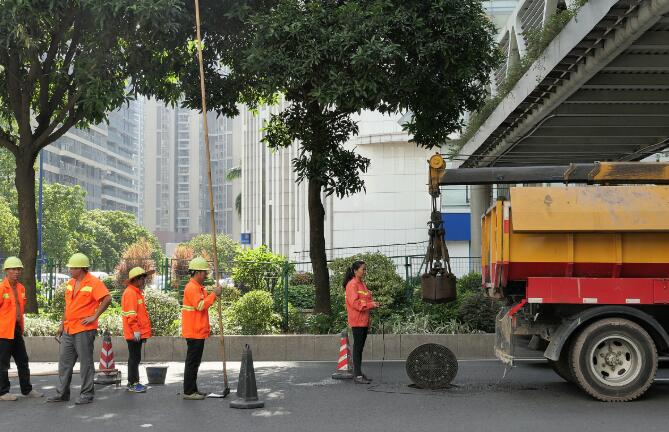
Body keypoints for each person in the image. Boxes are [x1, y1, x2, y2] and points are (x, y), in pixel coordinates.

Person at [47, 253, 112, 405]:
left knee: (86, 363)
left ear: (81, 268)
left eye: (72, 268)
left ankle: (87, 394)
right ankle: (62, 393)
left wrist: (94, 317)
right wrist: (62, 324)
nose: (69, 270)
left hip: (84, 329)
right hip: (69, 328)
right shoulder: (70, 283)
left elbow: (107, 298)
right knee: (64, 363)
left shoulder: (94, 282)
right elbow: (68, 306)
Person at [0, 257, 42, 401]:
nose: (16, 272)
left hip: (16, 329)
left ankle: (27, 390)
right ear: (6, 271)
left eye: (18, 269)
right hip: (3, 331)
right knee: (2, 362)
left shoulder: (21, 288)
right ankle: (3, 392)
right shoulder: (1, 288)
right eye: (13, 269)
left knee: (22, 360)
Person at [181, 257, 221, 400]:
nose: (206, 275)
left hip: (197, 331)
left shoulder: (197, 287)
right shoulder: (192, 288)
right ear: (197, 272)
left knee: (194, 363)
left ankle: (193, 389)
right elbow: (201, 306)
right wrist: (214, 294)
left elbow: (204, 303)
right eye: (204, 272)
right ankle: (189, 391)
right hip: (194, 331)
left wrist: (213, 295)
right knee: (192, 362)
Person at [344, 260, 378, 384]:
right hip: (357, 320)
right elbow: (355, 303)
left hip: (364, 320)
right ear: (355, 270)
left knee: (360, 348)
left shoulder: (362, 284)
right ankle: (357, 375)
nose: (364, 271)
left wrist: (373, 303)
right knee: (358, 348)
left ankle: (358, 372)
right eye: (363, 269)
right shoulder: (352, 285)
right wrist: (371, 304)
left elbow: (366, 298)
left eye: (365, 269)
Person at [121, 267, 154, 393]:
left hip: (136, 332)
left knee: (135, 358)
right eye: (142, 278)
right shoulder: (130, 293)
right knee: (134, 358)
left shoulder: (135, 292)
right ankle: (132, 383)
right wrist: (135, 329)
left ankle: (134, 382)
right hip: (134, 333)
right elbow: (131, 314)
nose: (144, 280)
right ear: (136, 279)